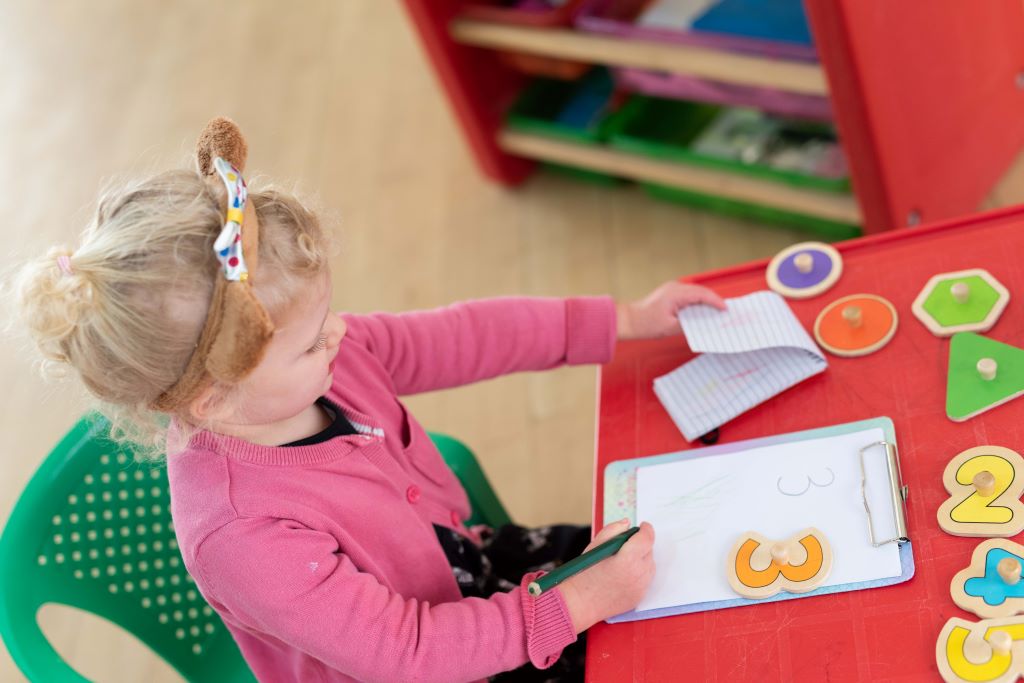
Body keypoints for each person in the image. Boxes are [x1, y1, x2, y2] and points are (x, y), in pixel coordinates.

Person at [15, 118, 726, 682]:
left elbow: (462, 335)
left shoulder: (318, 359)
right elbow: (409, 650)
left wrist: (622, 321)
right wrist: (576, 603)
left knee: (681, 569)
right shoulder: (242, 537)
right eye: (309, 342)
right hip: (428, 662)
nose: (339, 335)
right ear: (211, 401)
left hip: (473, 577)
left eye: (327, 314)